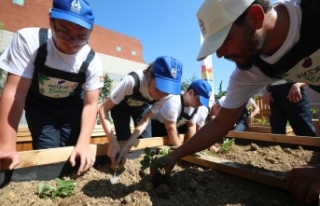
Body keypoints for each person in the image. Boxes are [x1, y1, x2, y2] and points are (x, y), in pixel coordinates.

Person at [156, 0, 320, 204]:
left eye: (223, 39)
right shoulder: (250, 71)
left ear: (255, 17)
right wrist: (176, 154)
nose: (219, 53)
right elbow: (219, 123)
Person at [0, 0, 103, 175]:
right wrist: (6, 144)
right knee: (47, 149)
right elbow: (15, 93)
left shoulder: (92, 60)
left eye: (81, 36)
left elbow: (91, 104)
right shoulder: (29, 40)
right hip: (40, 106)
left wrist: (84, 143)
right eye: (64, 32)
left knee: (71, 149)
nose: (72, 43)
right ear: (50, 20)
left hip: (72, 108)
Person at [98, 56, 182, 170]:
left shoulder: (166, 95)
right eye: (159, 87)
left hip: (142, 109)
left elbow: (146, 120)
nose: (162, 94)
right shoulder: (132, 81)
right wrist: (112, 141)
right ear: (150, 75)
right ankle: (116, 164)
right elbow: (103, 109)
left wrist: (128, 146)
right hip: (121, 108)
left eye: (167, 90)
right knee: (123, 139)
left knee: (146, 141)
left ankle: (139, 169)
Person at [151, 79, 212, 146]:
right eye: (199, 100)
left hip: (169, 131)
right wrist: (181, 152)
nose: (200, 104)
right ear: (191, 92)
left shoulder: (194, 108)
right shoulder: (174, 100)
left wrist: (190, 147)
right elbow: (170, 128)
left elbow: (191, 126)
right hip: (155, 129)